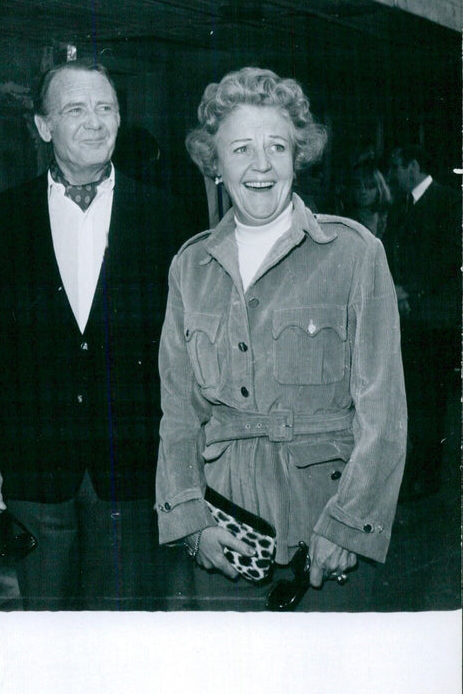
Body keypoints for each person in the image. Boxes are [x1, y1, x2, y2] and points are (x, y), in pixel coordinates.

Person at [156, 67, 406, 612]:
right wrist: (191, 521)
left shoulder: (355, 254)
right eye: (241, 148)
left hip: (325, 532)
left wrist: (349, 524)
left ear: (299, 156)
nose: (261, 165)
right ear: (215, 164)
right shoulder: (190, 266)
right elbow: (178, 414)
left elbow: (383, 413)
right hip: (227, 538)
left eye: (277, 147)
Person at [0, 59, 189, 610]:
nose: (94, 122)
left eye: (105, 108)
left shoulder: (165, 216)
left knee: (125, 627)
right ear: (43, 126)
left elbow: (183, 347)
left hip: (132, 469)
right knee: (47, 628)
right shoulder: (0, 219)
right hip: (36, 468)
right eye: (75, 109)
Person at [386, 145, 461, 500]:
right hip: (415, 319)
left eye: (396, 169)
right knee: (416, 398)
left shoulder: (447, 200)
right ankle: (419, 470)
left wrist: (411, 290)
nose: (391, 178)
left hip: (436, 320)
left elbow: (449, 256)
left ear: (413, 166)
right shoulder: (405, 205)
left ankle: (428, 477)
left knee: (430, 400)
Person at [346, 156, 392, 239]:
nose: (363, 192)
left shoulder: (389, 218)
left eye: (369, 187)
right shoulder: (347, 222)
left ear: (379, 190)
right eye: (358, 187)